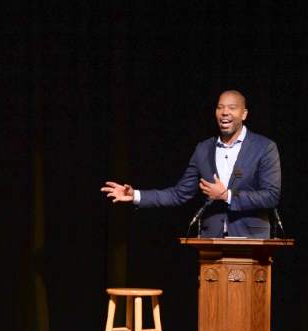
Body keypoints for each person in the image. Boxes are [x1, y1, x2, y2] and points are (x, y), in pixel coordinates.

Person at [102, 90, 281, 238]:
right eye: (220, 108)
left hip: (251, 241)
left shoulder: (264, 147)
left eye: (232, 108)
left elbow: (271, 196)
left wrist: (227, 196)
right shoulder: (203, 149)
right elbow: (179, 194)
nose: (225, 112)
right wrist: (135, 195)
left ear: (244, 114)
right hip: (211, 241)